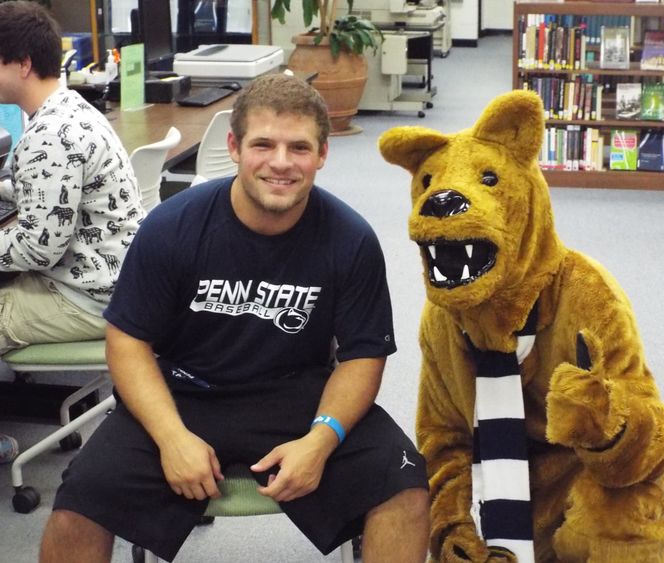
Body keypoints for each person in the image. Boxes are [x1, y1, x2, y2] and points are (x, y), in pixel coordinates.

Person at [38, 73, 430, 562]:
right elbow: (128, 341)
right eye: (263, 144)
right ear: (235, 146)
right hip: (184, 393)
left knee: (406, 487)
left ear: (323, 154)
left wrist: (322, 439)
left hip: (299, 396)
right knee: (79, 503)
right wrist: (171, 437)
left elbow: (363, 354)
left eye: (300, 148)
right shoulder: (172, 228)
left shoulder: (350, 239)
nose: (281, 163)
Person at [0, 1, 145, 462]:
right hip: (111, 282)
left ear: (22, 64)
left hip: (87, 299)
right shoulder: (68, 108)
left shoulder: (51, 134)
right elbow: (49, 188)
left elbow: (36, 248)